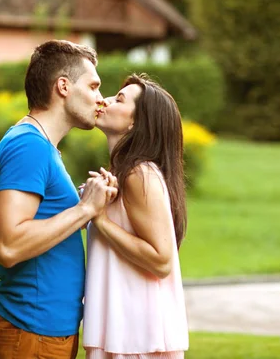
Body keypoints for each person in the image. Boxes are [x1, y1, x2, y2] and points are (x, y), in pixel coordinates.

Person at [0, 40, 117, 359]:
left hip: (38, 332)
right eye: (94, 86)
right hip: (31, 333)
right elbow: (7, 247)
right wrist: (85, 210)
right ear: (63, 86)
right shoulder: (30, 148)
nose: (100, 99)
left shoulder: (35, 145)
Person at [82, 74, 189, 358]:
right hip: (124, 333)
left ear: (135, 122)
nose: (103, 100)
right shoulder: (125, 174)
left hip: (135, 338)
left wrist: (99, 219)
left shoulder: (139, 174)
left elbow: (161, 260)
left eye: (119, 99)